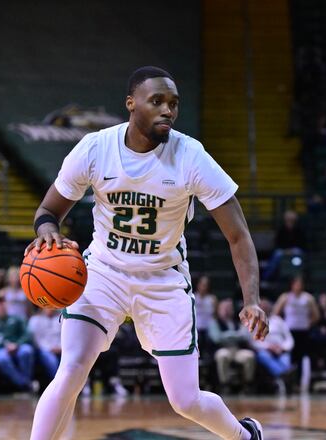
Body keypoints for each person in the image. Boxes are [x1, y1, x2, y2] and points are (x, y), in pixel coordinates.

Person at [29, 67, 267, 440]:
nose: (167, 110)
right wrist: (47, 234)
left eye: (173, 103)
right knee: (71, 370)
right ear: (131, 103)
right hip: (104, 272)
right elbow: (48, 212)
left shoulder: (190, 155)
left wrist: (251, 299)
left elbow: (238, 236)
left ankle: (245, 435)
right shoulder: (95, 148)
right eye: (157, 101)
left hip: (162, 279)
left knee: (185, 400)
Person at [272, 275, 319, 392]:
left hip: (303, 332)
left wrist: (308, 323)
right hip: (289, 332)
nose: (298, 286)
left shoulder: (308, 298)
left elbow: (316, 315)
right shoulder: (285, 297)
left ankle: (299, 383)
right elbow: (275, 313)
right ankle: (289, 382)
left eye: (300, 284)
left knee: (301, 358)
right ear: (292, 285)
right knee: (290, 357)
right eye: (296, 283)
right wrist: (282, 326)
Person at [209, 299, 256, 394]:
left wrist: (227, 336)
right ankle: (224, 384)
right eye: (224, 308)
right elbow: (216, 338)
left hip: (237, 350)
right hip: (222, 349)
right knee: (223, 355)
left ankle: (247, 384)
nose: (227, 310)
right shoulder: (214, 323)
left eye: (229, 308)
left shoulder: (237, 321)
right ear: (218, 310)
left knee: (249, 356)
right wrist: (234, 335)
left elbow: (244, 336)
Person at [252, 298, 293, 394]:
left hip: (280, 350)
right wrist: (268, 347)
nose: (265, 308)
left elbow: (289, 338)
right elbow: (253, 342)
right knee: (263, 356)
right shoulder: (254, 321)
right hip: (265, 350)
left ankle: (282, 375)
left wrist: (283, 348)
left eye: (266, 306)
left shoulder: (278, 320)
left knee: (285, 358)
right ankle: (284, 374)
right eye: (262, 306)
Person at [262, 210, 306, 281]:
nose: (290, 222)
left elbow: (301, 243)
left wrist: (290, 250)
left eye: (292, 220)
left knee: (298, 252)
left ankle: (298, 279)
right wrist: (285, 250)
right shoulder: (281, 230)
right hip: (283, 250)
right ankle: (266, 277)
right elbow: (278, 243)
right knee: (277, 254)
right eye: (288, 220)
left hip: (294, 250)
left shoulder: (298, 230)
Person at [27, 307, 62, 380]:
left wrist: (60, 347)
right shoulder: (35, 320)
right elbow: (36, 340)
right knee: (52, 361)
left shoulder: (61, 318)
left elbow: (65, 336)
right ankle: (58, 381)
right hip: (44, 349)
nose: (50, 309)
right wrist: (50, 348)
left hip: (61, 348)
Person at [194, 275, 217, 354]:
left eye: (206, 285)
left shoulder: (212, 299)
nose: (204, 287)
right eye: (202, 284)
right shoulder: (192, 297)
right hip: (196, 327)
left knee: (211, 337)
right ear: (198, 285)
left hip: (209, 328)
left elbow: (215, 315)